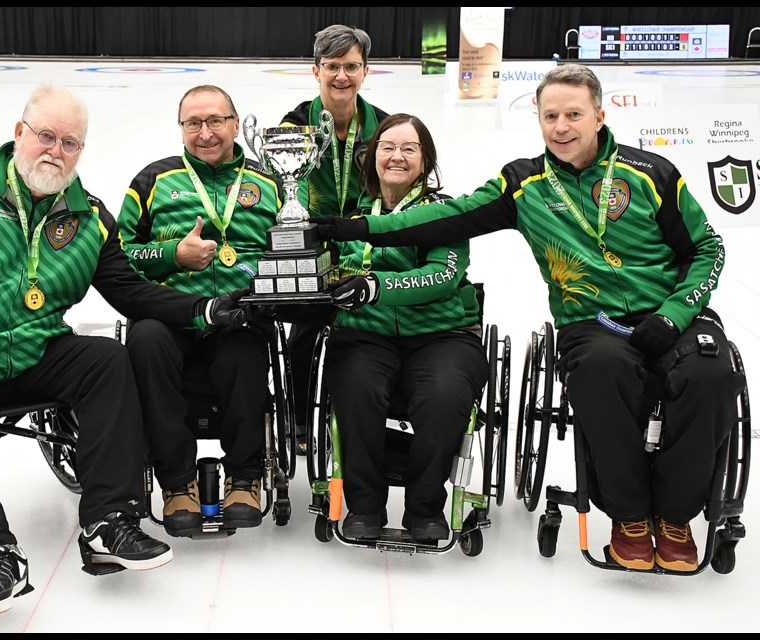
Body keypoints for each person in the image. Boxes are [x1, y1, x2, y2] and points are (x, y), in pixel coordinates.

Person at [314, 64, 743, 571]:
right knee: (601, 372)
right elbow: (449, 216)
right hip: (594, 322)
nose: (561, 126)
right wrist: (362, 227)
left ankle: (673, 517)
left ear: (600, 115)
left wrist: (674, 315)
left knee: (712, 374)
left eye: (574, 114)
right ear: (539, 120)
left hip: (678, 315)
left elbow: (707, 248)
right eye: (551, 116)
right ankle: (629, 517)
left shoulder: (652, 174)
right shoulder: (524, 183)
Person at [0, 83, 248, 618]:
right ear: (19, 133)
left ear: (81, 151)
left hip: (33, 352)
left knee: (106, 362)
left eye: (70, 142)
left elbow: (130, 292)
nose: (55, 149)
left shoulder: (88, 218)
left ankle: (108, 523)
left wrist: (203, 310)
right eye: (45, 135)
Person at [118, 85, 282, 536]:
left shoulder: (270, 180)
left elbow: (291, 247)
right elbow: (119, 258)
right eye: (193, 123)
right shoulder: (153, 180)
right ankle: (176, 484)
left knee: (245, 349)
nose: (205, 132)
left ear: (235, 123)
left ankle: (245, 478)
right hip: (170, 312)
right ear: (181, 128)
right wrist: (173, 254)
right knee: (146, 339)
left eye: (215, 121)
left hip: (238, 309)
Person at [325, 114, 488, 542]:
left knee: (444, 393)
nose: (396, 156)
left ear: (425, 161)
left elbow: (442, 276)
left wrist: (375, 287)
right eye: (387, 147)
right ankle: (364, 506)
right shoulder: (351, 218)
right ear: (372, 156)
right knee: (355, 386)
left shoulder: (445, 212)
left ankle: (425, 506)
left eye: (409, 148)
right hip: (367, 335)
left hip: (443, 335)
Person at [280, 24, 390, 451]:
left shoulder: (383, 126)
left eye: (350, 66)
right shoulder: (293, 126)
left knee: (367, 327)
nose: (341, 76)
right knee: (307, 324)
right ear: (315, 70)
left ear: (366, 71)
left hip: (367, 240)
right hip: (314, 240)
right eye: (331, 67)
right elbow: (284, 192)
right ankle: (300, 419)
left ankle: (358, 415)